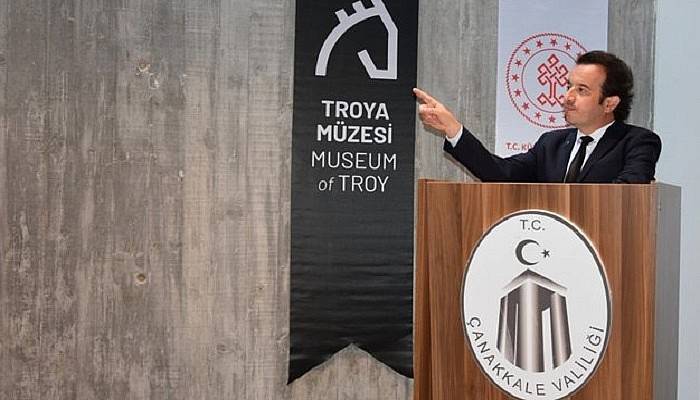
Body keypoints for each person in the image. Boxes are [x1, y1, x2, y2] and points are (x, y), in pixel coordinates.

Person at [414, 51, 661, 183]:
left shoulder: (637, 142)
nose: (567, 97)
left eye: (582, 90)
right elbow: (500, 174)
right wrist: (454, 129)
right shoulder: (551, 144)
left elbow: (629, 194)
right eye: (569, 86)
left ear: (609, 103)